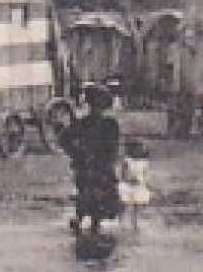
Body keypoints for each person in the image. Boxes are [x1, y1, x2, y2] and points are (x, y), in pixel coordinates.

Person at [61, 83, 122, 237]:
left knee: (91, 192)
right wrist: (76, 152)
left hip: (96, 165)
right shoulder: (102, 124)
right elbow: (65, 139)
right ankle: (86, 220)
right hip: (91, 165)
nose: (96, 109)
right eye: (94, 105)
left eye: (98, 106)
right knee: (88, 191)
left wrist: (77, 152)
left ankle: (90, 220)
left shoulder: (105, 124)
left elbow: (113, 146)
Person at [118, 138, 152, 228]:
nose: (140, 150)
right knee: (124, 204)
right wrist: (128, 179)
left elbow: (145, 174)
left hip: (138, 185)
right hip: (127, 185)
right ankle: (121, 221)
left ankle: (135, 222)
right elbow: (122, 174)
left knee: (137, 204)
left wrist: (145, 183)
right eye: (137, 148)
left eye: (141, 148)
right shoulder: (127, 160)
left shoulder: (144, 162)